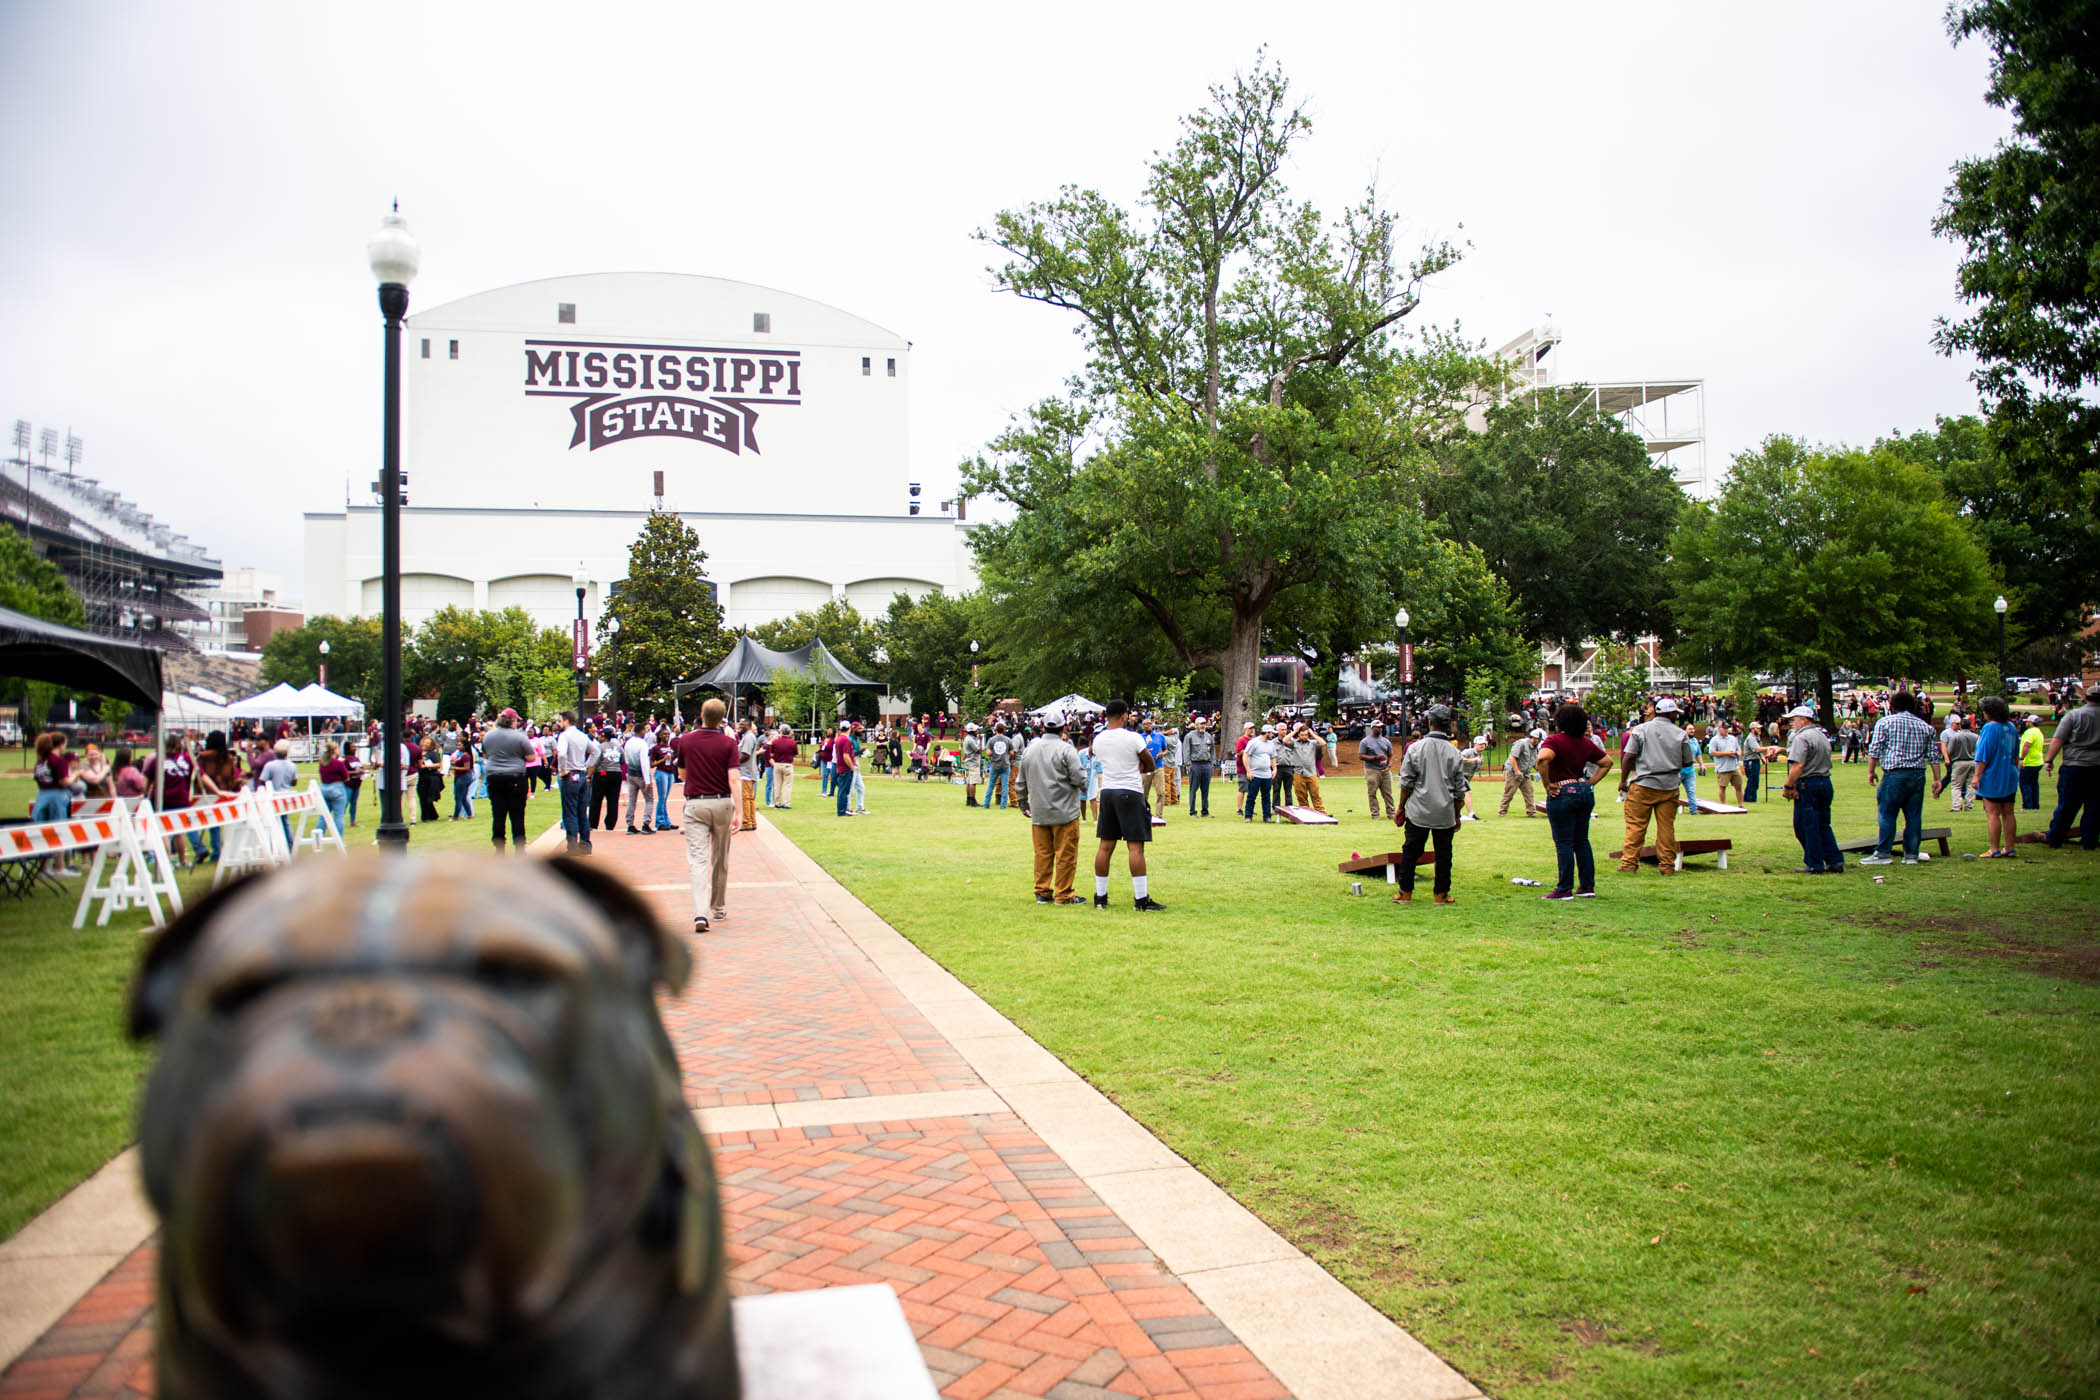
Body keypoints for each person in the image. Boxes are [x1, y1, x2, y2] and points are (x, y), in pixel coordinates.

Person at [1090, 700, 1165, 910]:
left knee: (1105, 846)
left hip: (1107, 792)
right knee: (1135, 847)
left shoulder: (1099, 739)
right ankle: (1141, 899)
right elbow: (1149, 762)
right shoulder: (1132, 737)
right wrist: (1138, 766)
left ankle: (1100, 897)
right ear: (1124, 716)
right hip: (1130, 791)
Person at [672, 698, 739, 932]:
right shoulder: (730, 743)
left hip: (696, 804)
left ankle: (700, 912)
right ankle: (718, 907)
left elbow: (681, 773)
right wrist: (739, 811)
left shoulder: (686, 741)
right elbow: (734, 779)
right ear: (722, 719)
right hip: (722, 802)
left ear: (701, 715)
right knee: (720, 858)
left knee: (697, 860)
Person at [1537, 703, 1612, 899]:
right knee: (1582, 841)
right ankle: (1587, 886)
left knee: (1564, 842)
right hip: (1583, 791)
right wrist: (1589, 783)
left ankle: (1564, 888)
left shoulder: (1555, 741)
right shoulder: (1585, 742)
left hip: (1563, 790)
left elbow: (1543, 759)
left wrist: (1547, 784)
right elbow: (1607, 763)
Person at [1392, 705, 1464, 905]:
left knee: (1410, 851)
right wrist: (1456, 815)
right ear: (1447, 725)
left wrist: (1401, 807)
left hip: (1418, 810)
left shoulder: (1415, 748)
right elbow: (1459, 790)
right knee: (1444, 854)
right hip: (1444, 812)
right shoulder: (1454, 752)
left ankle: (1405, 893)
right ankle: (1440, 895)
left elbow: (1406, 783)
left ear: (1430, 723)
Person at [1860, 691, 1939, 866]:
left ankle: (1883, 853)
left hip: (1894, 773)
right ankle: (1911, 854)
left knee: (1887, 814)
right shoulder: (1925, 726)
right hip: (1917, 774)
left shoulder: (1885, 723)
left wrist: (1871, 771)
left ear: (1893, 705)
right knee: (1913, 816)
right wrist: (1937, 779)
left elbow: (1875, 750)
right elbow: (1933, 756)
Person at [1617, 697, 1693, 876]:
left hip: (1643, 784)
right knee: (1666, 827)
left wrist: (1623, 780)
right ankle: (1667, 866)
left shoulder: (1641, 729)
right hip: (1669, 786)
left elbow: (1628, 757)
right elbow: (1688, 760)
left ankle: (1629, 863)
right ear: (1671, 713)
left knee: (1636, 826)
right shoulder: (1680, 733)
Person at [1023, 716, 1089, 904]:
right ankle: (1064, 894)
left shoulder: (1031, 749)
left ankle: (1042, 892)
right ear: (1063, 728)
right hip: (1065, 811)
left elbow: (1021, 779)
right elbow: (1079, 778)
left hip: (1039, 810)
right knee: (1065, 855)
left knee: (1042, 854)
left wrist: (1022, 802)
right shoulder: (1066, 749)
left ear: (1043, 727)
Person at [1776, 706, 1844, 874]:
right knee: (1823, 825)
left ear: (1803, 720)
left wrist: (1789, 786)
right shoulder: (1821, 735)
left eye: (1794, 719)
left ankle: (1814, 863)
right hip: (1824, 782)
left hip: (1808, 784)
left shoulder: (1801, 737)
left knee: (1806, 825)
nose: (1792, 723)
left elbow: (1799, 765)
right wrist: (1783, 750)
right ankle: (1834, 860)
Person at [2042, 687, 2100, 850]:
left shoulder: (2074, 715)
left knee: (2067, 805)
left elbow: (2058, 740)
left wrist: (2049, 760)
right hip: (2097, 766)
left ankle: (2055, 838)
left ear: (2085, 698)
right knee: (2095, 806)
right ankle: (2090, 841)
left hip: (2075, 765)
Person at [1973, 696, 2022, 858]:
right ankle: (2010, 847)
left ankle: (1994, 849)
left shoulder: (1989, 728)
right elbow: (2016, 753)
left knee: (1992, 813)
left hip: (1993, 775)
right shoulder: (2011, 727)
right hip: (2009, 773)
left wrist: (1977, 776)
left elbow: (1983, 754)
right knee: (2009, 812)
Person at [29, 733, 78, 875]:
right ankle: (59, 867)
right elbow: (64, 781)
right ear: (61, 744)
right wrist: (74, 774)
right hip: (57, 796)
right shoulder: (59, 760)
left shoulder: (40, 761)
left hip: (42, 796)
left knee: (42, 832)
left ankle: (43, 868)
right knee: (59, 831)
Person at [552, 711, 596, 854]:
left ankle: (572, 846)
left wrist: (563, 769)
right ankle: (585, 843)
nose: (559, 723)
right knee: (582, 811)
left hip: (570, 775)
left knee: (570, 811)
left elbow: (562, 753)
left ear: (566, 721)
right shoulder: (582, 736)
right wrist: (586, 765)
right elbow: (595, 751)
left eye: (560, 721)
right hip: (582, 774)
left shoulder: (564, 736)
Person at [622, 723, 656, 834]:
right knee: (649, 800)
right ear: (641, 731)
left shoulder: (628, 743)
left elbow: (626, 760)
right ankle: (646, 824)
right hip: (641, 775)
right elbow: (644, 763)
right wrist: (647, 780)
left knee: (632, 800)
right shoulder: (642, 744)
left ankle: (630, 824)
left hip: (631, 774)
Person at [1941, 716, 1980, 812]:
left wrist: (1948, 757)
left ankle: (1956, 806)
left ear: (1961, 726)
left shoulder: (1956, 736)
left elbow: (1949, 750)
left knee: (1956, 785)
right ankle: (1969, 806)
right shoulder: (1976, 737)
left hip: (1959, 762)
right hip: (1972, 761)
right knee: (1970, 785)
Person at [1499, 728, 1541, 817]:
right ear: (1532, 737)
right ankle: (1502, 812)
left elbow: (1533, 762)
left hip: (1525, 773)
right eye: (1537, 739)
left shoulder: (1535, 748)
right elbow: (1513, 757)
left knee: (1529, 792)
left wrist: (1540, 770)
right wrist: (1517, 771)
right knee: (1509, 792)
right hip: (1512, 772)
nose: (1538, 741)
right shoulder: (1521, 743)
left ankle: (1531, 813)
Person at [1242, 724, 1279, 823]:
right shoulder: (1254, 742)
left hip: (1267, 775)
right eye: (1271, 733)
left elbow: (1273, 757)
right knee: (1252, 796)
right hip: (1255, 774)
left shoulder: (1271, 744)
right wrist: (1248, 771)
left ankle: (1267, 817)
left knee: (1266, 796)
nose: (1272, 735)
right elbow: (1245, 756)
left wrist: (1274, 769)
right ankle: (1248, 816)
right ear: (1267, 733)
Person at [1359, 721, 1395, 821]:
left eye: (1381, 727)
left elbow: (1391, 754)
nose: (1380, 729)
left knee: (1388, 793)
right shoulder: (1365, 741)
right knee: (1372, 793)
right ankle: (1375, 814)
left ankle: (1391, 813)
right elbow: (1361, 756)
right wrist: (1375, 758)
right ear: (1372, 728)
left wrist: (1390, 764)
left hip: (1385, 770)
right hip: (1371, 770)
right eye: (1378, 727)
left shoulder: (1386, 741)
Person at [317, 741, 352, 836]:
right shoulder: (338, 763)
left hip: (324, 788)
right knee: (339, 816)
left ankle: (319, 838)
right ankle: (339, 839)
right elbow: (346, 777)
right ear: (334, 751)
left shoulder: (322, 763)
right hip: (337, 788)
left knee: (323, 816)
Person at [1183, 716, 1215, 817]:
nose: (1203, 725)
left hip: (1207, 764)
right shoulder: (1189, 736)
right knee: (1193, 788)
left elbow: (1212, 750)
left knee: (1205, 789)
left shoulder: (1209, 736)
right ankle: (1192, 811)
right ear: (1196, 725)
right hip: (1195, 764)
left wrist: (1212, 762)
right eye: (1201, 723)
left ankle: (1205, 811)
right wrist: (1188, 764)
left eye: (1204, 723)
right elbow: (1186, 750)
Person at [733, 720, 760, 831]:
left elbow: (746, 754)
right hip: (748, 771)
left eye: (742, 725)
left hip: (746, 772)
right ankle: (752, 822)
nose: (740, 726)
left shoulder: (748, 737)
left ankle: (747, 822)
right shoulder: (748, 736)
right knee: (749, 798)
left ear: (748, 726)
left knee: (745, 798)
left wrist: (735, 763)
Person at [1710, 722, 1745, 805]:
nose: (1726, 730)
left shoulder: (1733, 738)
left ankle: (1740, 805)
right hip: (1722, 768)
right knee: (1722, 788)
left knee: (1739, 786)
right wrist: (1726, 753)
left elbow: (1739, 750)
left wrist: (1737, 753)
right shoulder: (1714, 740)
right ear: (1719, 729)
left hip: (1734, 767)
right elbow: (1712, 753)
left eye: (1727, 728)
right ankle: (1723, 805)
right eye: (1724, 728)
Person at [2017, 714, 2046, 811]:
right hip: (2037, 761)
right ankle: (2034, 804)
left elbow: (2027, 746)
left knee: (2025, 784)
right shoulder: (2039, 732)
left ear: (2031, 723)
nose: (2026, 723)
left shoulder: (2030, 732)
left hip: (2029, 762)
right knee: (2034, 784)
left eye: (2028, 721)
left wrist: (2021, 759)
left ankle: (2027, 805)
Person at [1457, 735, 1486, 821]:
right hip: (1460, 775)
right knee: (1468, 793)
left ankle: (1458, 813)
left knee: (1461, 795)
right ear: (1475, 744)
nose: (1482, 746)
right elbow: (1459, 758)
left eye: (1483, 744)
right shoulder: (1468, 752)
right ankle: (1471, 813)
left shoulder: (1481, 756)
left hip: (1467, 777)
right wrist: (1472, 760)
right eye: (1480, 744)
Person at [832, 722, 858, 817]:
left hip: (840, 767)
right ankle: (842, 810)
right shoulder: (846, 740)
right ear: (849, 728)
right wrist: (852, 767)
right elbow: (846, 756)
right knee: (844, 790)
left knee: (842, 790)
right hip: (845, 768)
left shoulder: (838, 739)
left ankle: (842, 809)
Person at [450, 737, 476, 820]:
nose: (458, 746)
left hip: (463, 777)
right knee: (463, 797)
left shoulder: (466, 756)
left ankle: (455, 816)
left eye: (460, 745)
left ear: (465, 746)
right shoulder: (460, 755)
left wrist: (455, 768)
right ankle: (469, 814)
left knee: (459, 797)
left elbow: (467, 768)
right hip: (460, 777)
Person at [341, 737, 364, 828]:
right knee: (345, 803)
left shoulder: (356, 759)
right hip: (348, 785)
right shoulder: (344, 759)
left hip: (356, 784)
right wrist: (355, 772)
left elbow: (360, 768)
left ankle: (352, 821)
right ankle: (340, 821)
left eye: (355, 747)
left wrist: (362, 771)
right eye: (352, 747)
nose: (354, 748)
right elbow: (343, 771)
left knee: (354, 803)